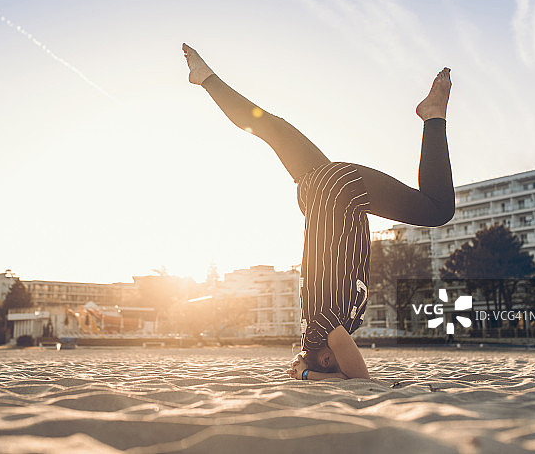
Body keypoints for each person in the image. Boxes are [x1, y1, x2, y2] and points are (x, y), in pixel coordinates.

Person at [182, 43, 455, 380]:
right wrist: (303, 367)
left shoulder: (323, 330)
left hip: (340, 193)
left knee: (438, 209)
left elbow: (361, 381)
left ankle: (432, 116)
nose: (349, 353)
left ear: (327, 359)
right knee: (271, 128)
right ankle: (207, 78)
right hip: (317, 195)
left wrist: (307, 376)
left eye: (337, 360)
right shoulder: (315, 323)